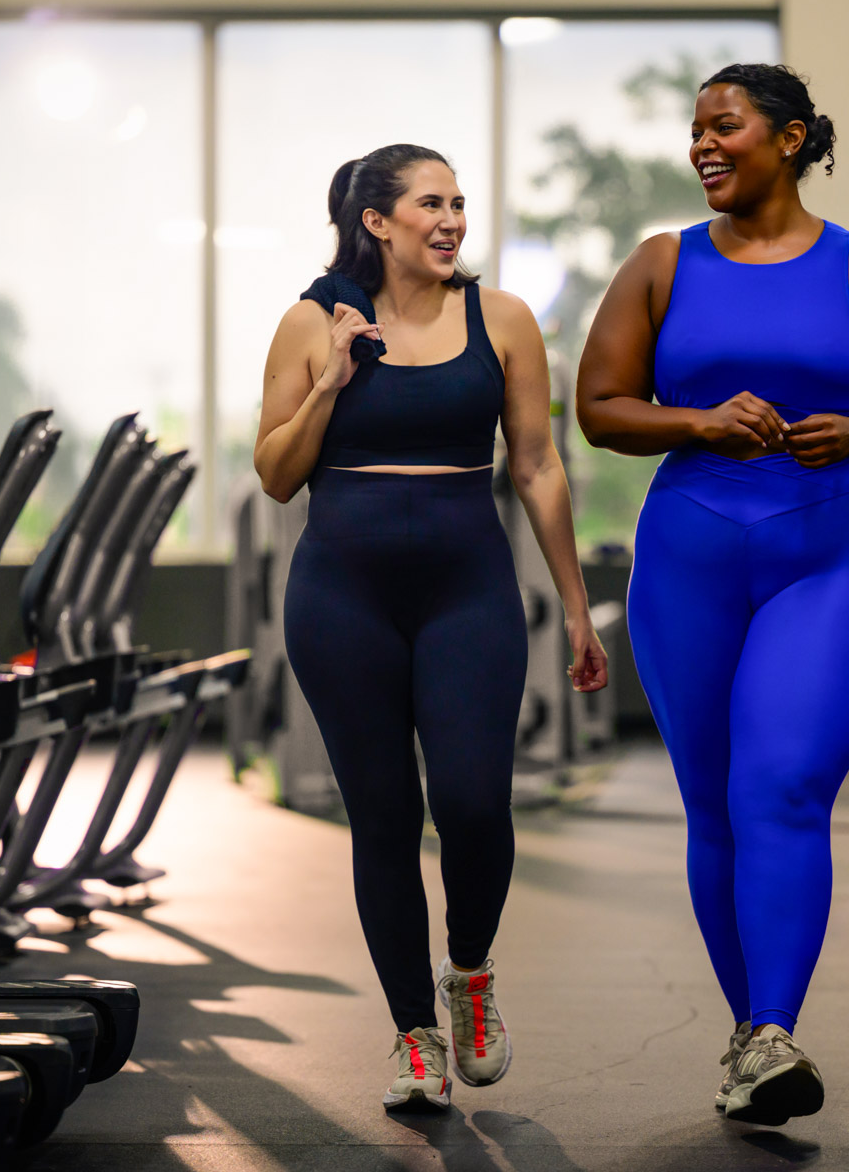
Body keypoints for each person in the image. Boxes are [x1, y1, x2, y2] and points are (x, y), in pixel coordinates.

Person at [576, 63, 849, 1126]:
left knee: (781, 788)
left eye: (725, 126)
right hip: (689, 556)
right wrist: (695, 422)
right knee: (715, 805)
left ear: (789, 139)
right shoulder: (661, 264)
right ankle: (753, 1037)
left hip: (827, 554)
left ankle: (773, 1028)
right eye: (695, 130)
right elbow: (600, 407)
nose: (703, 145)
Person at [255, 143, 608, 1111]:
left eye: (459, 203)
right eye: (430, 203)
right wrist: (329, 383)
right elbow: (277, 473)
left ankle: (470, 972)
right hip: (342, 599)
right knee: (381, 817)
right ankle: (414, 1034)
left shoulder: (503, 321)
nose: (452, 219)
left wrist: (575, 605)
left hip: (467, 592)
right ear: (377, 221)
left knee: (472, 803)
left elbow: (535, 465)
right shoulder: (308, 323)